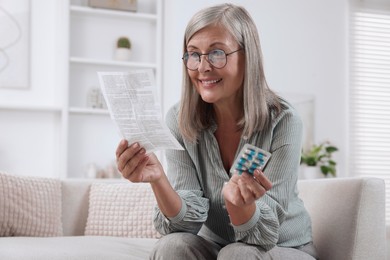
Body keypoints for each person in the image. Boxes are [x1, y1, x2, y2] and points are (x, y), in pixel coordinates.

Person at [115, 3, 318, 260]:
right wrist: (158, 179)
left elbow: (265, 234)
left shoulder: (284, 121)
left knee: (238, 254)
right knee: (172, 246)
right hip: (219, 246)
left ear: (247, 57)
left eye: (217, 53)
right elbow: (183, 225)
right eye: (193, 54)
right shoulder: (179, 121)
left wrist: (238, 206)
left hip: (284, 246)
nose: (202, 67)